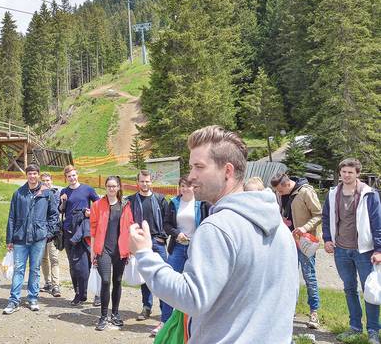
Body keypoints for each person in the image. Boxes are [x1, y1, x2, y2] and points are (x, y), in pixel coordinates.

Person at [129, 125, 298, 343]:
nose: (191, 176)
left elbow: (191, 298)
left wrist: (144, 255)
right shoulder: (280, 229)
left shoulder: (217, 228)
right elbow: (288, 296)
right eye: (191, 167)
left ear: (227, 171)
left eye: (199, 167)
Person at [322, 158, 381, 344]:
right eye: (344, 172)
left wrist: (379, 249)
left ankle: (373, 331)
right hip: (341, 250)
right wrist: (327, 239)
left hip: (364, 251)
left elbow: (377, 223)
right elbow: (325, 217)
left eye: (350, 172)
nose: (346, 175)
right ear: (339, 173)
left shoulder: (369, 194)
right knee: (349, 289)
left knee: (369, 290)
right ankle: (355, 327)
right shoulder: (332, 193)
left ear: (357, 174)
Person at [3, 164, 59, 315]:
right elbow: (11, 217)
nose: (32, 176)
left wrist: (48, 232)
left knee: (35, 269)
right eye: (30, 174)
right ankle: (14, 300)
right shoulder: (19, 193)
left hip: (38, 238)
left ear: (38, 175)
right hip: (20, 237)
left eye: (35, 174)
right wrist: (10, 238)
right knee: (19, 269)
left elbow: (54, 215)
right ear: (26, 175)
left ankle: (33, 298)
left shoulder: (47, 193)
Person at [158, 177, 211, 332]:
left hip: (197, 249)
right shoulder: (173, 203)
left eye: (188, 186)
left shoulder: (202, 204)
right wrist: (177, 234)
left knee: (197, 284)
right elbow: (166, 224)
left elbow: (209, 222)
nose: (185, 189)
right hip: (178, 247)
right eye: (182, 186)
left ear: (194, 187)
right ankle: (165, 321)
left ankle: (195, 322)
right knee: (170, 283)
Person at [270, 171, 322, 329]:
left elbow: (319, 214)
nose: (278, 193)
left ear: (287, 184)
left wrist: (304, 227)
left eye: (280, 190)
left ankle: (314, 312)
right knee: (288, 277)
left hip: (304, 242)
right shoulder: (279, 193)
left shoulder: (305, 191)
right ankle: (288, 310)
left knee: (309, 276)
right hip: (286, 242)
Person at [90, 176, 134, 331]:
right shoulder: (97, 205)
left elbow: (129, 228)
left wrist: (130, 249)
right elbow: (93, 229)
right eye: (109, 186)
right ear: (105, 188)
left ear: (119, 187)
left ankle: (115, 314)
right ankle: (103, 316)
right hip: (103, 250)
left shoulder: (125, 205)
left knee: (118, 281)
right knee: (106, 281)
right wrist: (93, 251)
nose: (111, 189)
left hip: (120, 250)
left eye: (114, 186)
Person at [125, 170, 169, 322]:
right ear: (138, 182)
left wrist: (163, 237)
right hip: (141, 243)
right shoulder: (130, 201)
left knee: (163, 276)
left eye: (147, 181)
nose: (145, 184)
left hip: (157, 242)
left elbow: (167, 220)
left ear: (151, 182)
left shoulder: (160, 199)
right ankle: (146, 307)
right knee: (144, 277)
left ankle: (165, 311)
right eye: (142, 181)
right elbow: (127, 222)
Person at [60, 165, 100, 306]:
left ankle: (98, 294)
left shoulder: (87, 189)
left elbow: (99, 205)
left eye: (74, 175)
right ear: (66, 178)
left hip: (85, 232)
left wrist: (91, 213)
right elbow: (60, 210)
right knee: (74, 266)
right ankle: (79, 294)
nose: (72, 178)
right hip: (69, 232)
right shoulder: (64, 192)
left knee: (92, 263)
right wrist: (62, 200)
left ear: (78, 175)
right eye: (69, 176)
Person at [39, 172, 62, 297]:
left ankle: (56, 284)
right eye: (43, 181)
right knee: (43, 258)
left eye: (48, 180)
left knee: (54, 258)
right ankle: (47, 282)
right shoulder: (39, 195)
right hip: (41, 232)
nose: (46, 183)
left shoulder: (57, 194)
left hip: (53, 232)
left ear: (51, 181)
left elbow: (57, 213)